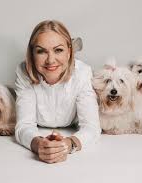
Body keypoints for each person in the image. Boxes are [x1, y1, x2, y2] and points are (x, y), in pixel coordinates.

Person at [15, 20, 101, 164]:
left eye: (58, 50)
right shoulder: (23, 72)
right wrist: (38, 144)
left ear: (69, 52)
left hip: (70, 130)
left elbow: (91, 127)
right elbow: (24, 125)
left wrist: (68, 144)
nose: (50, 60)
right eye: (41, 51)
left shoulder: (83, 72)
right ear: (32, 54)